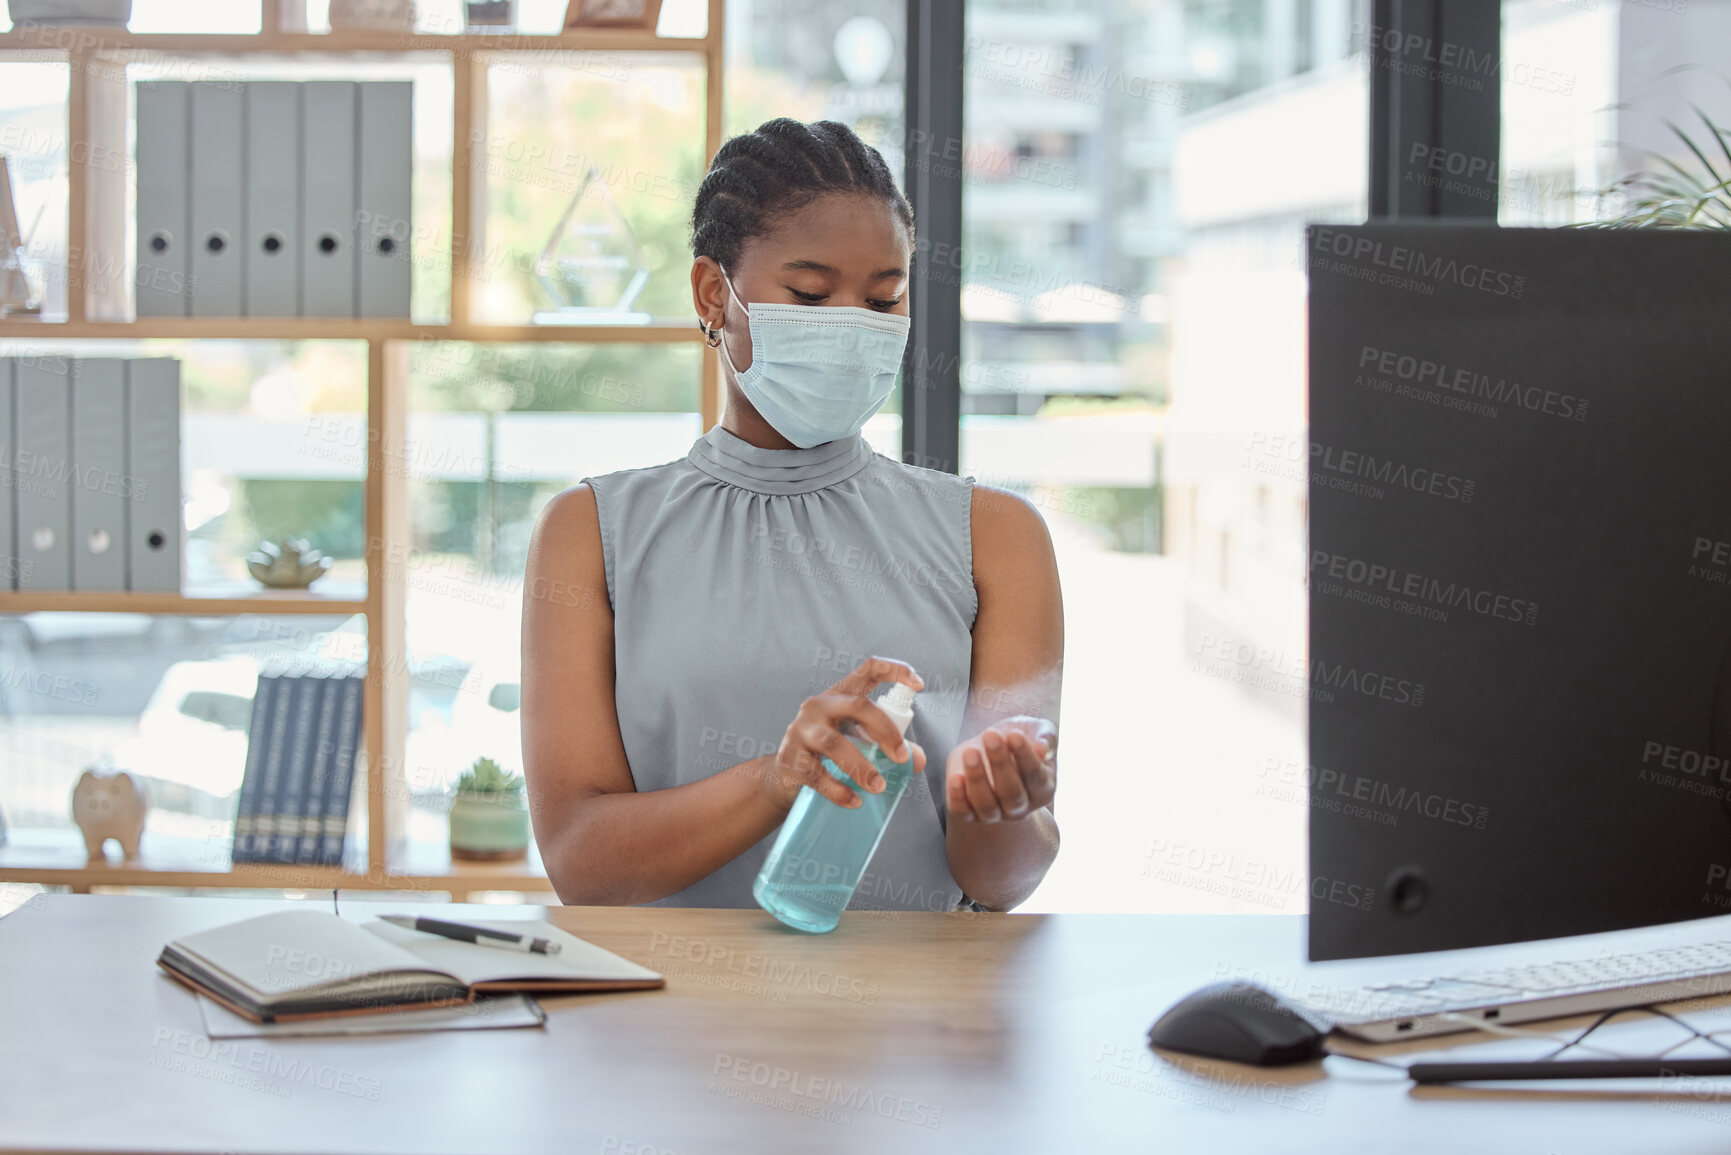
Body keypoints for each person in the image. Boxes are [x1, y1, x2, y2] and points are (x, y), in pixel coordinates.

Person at [520, 118, 1063, 914]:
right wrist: (774, 777)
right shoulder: (590, 532)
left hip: (916, 1024)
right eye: (809, 294)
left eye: (883, 298)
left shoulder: (996, 537)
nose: (852, 326)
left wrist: (1005, 811)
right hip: (667, 1020)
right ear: (714, 293)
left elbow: (999, 882)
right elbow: (581, 863)